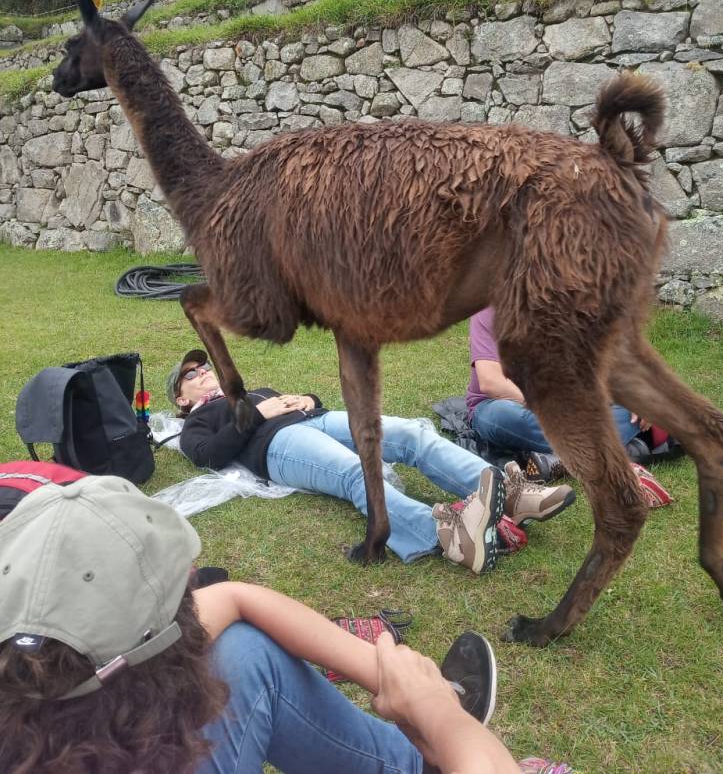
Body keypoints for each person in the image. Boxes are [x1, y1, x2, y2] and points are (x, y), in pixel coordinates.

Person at [0, 474, 524, 773]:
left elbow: (234, 599)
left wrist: (391, 676)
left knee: (243, 652)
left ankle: (411, 765)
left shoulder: (42, 666)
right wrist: (438, 713)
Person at [167, 349, 577, 575]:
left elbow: (312, 403)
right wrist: (259, 415)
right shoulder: (197, 422)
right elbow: (208, 456)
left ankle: (507, 494)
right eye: (192, 373)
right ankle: (447, 537)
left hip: (316, 421)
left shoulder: (253, 390)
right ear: (181, 399)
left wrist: (307, 400)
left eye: (205, 366)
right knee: (355, 472)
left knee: (412, 436)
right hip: (277, 446)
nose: (203, 371)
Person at [467, 307, 679, 497]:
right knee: (504, 416)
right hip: (503, 405)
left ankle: (564, 461)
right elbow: (491, 383)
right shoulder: (487, 312)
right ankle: (627, 447)